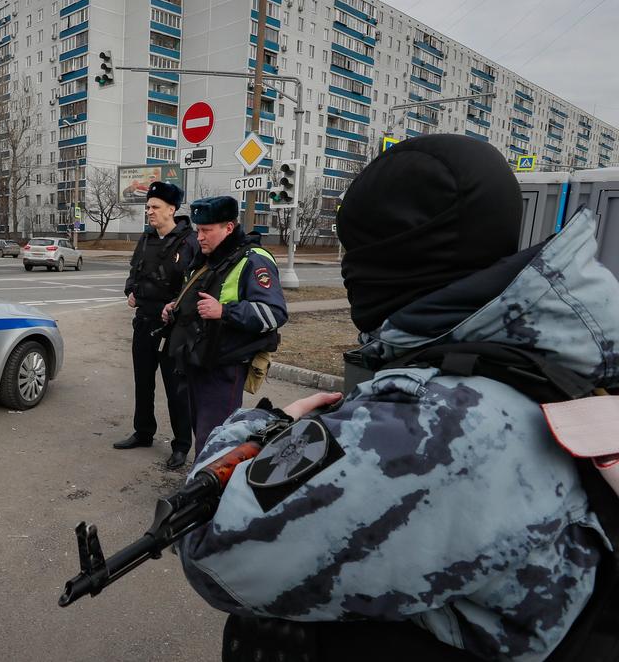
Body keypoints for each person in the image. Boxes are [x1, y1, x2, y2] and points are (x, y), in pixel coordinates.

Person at [178, 135, 619, 661]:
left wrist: (262, 426)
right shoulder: (544, 358)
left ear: (396, 255)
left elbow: (215, 554)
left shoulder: (434, 423)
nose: (348, 270)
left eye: (356, 250)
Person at [162, 195, 286, 459]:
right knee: (203, 436)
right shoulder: (209, 257)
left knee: (216, 442)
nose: (199, 237)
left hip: (223, 368)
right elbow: (197, 295)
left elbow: (275, 313)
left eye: (206, 230)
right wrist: (175, 307)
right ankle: (201, 477)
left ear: (229, 227)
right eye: (198, 230)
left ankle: (209, 483)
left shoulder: (253, 259)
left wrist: (225, 311)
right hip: (196, 361)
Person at [114, 181, 199, 469]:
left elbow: (196, 283)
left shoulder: (189, 242)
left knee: (176, 389)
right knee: (143, 382)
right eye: (148, 206)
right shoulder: (146, 238)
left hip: (173, 328)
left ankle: (181, 445)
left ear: (171, 209)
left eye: (155, 207)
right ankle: (143, 432)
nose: (149, 211)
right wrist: (130, 291)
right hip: (144, 322)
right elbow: (134, 270)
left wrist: (176, 304)